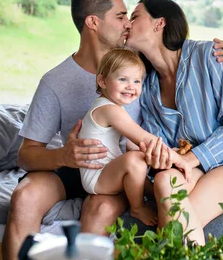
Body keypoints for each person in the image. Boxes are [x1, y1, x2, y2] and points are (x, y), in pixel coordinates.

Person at [2, 0, 223, 260]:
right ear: (93, 22)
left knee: (99, 209)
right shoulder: (55, 81)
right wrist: (63, 156)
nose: (128, 24)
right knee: (24, 195)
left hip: (124, 170)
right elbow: (27, 155)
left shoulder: (141, 68)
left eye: (131, 16)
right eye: (121, 16)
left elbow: (177, 58)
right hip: (76, 165)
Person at [124, 0, 223, 245]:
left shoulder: (209, 55)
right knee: (163, 179)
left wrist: (187, 159)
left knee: (175, 231)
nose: (128, 23)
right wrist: (162, 157)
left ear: (160, 24)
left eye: (135, 16)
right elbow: (161, 145)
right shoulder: (146, 84)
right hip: (191, 167)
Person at [78, 48, 192, 226]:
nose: (131, 86)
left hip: (107, 171)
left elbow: (132, 144)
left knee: (144, 166)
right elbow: (145, 140)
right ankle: (137, 208)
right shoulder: (108, 110)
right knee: (136, 161)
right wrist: (180, 160)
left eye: (137, 81)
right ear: (102, 81)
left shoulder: (115, 108)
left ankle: (164, 198)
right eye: (123, 79)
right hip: (97, 177)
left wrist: (167, 153)